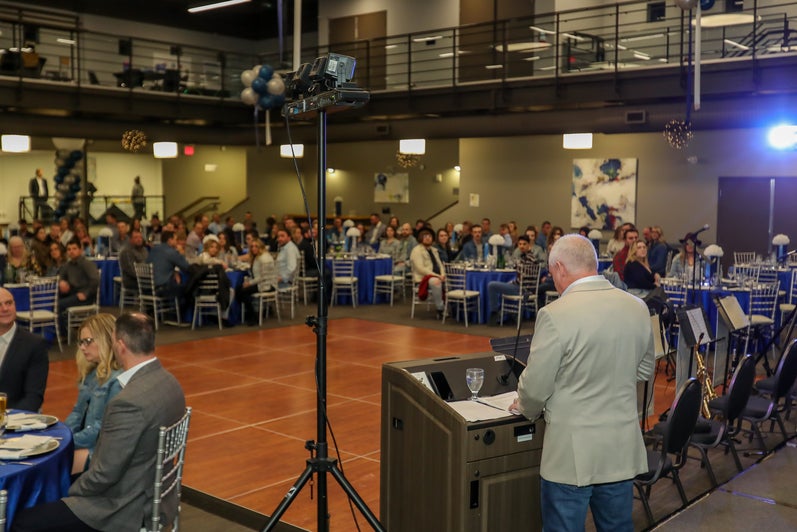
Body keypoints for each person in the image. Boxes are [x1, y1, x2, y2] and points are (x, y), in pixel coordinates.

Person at [510, 235, 655, 531]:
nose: (554, 282)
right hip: (620, 448)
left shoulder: (554, 314)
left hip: (571, 456)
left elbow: (536, 388)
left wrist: (524, 405)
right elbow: (645, 369)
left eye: (552, 275)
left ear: (560, 268)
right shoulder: (637, 307)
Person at [12, 312, 186, 532]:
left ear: (120, 345)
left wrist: (69, 491)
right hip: (156, 493)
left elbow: (104, 474)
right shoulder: (170, 383)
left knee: (22, 521)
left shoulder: (128, 401)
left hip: (123, 506)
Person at [65, 313, 123, 475]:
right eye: (81, 342)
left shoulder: (117, 380)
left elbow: (101, 429)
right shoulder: (92, 373)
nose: (82, 347)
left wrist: (67, 442)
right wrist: (61, 435)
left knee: (50, 469)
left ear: (106, 339)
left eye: (88, 341)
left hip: (100, 452)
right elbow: (77, 412)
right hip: (86, 443)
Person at [0, 287, 49, 412]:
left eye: (9, 303)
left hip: (14, 420)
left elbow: (33, 398)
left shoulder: (34, 344)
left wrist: (5, 419)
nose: (5, 309)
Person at [237, 239, 277, 324]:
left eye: (256, 246)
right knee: (239, 289)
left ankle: (253, 315)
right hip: (260, 282)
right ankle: (251, 313)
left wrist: (249, 283)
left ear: (261, 247)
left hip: (267, 285)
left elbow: (262, 277)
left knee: (242, 292)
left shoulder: (264, 259)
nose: (253, 248)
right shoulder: (257, 257)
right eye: (252, 247)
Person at [410, 227, 446, 320]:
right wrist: (437, 276)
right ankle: (440, 309)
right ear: (421, 238)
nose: (427, 238)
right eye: (425, 236)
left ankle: (454, 309)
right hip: (424, 277)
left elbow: (440, 264)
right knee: (436, 282)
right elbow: (421, 268)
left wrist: (442, 274)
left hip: (438, 275)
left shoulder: (434, 250)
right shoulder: (416, 250)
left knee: (454, 280)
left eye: (429, 236)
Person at [118, 229, 149, 293]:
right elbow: (132, 271)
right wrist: (145, 276)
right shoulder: (126, 252)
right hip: (131, 281)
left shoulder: (145, 250)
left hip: (146, 278)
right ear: (130, 239)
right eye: (136, 238)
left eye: (140, 237)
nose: (139, 239)